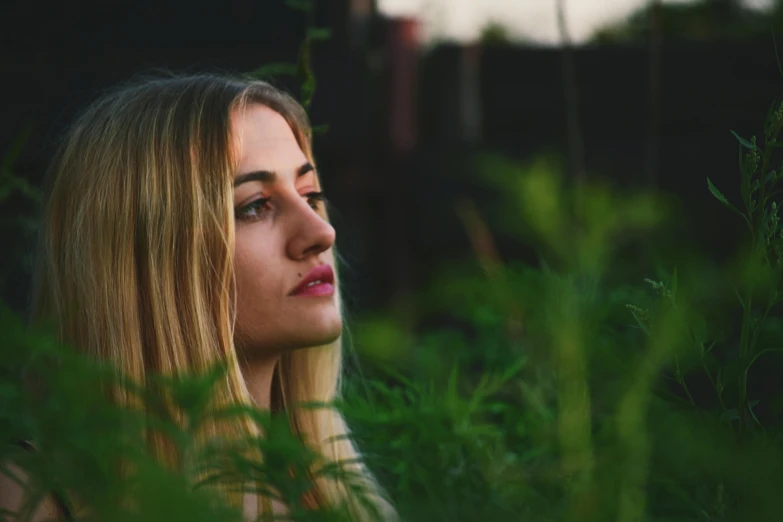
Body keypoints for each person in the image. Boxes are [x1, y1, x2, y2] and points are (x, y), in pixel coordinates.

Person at [0, 73, 396, 521]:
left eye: (310, 195)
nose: (321, 232)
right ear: (150, 256)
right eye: (254, 206)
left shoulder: (336, 499)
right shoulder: (32, 498)